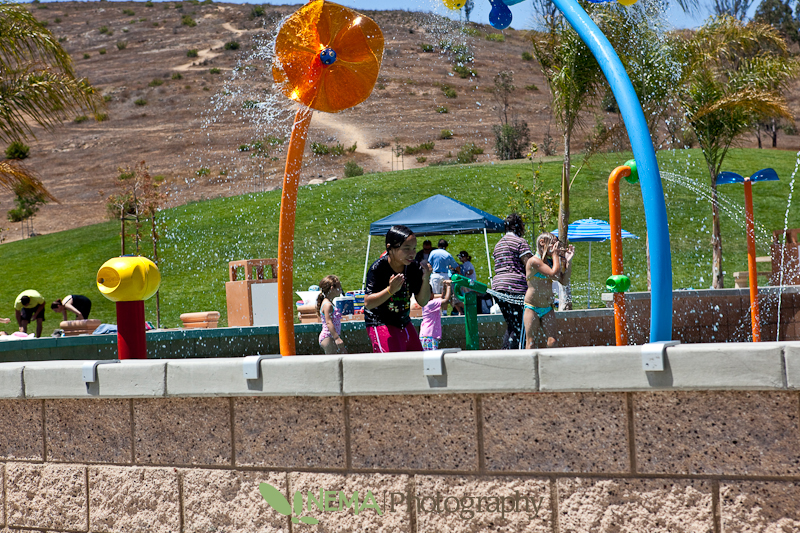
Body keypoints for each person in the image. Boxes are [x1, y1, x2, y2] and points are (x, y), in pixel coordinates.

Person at [364, 225, 433, 353]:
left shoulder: (412, 268)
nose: (412, 254)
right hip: (380, 323)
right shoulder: (379, 268)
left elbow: (423, 301)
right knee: (392, 365)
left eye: (414, 248)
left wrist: (426, 279)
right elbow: (368, 303)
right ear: (390, 248)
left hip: (404, 322)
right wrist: (390, 290)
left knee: (419, 363)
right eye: (406, 249)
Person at [524, 233, 574, 349]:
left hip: (547, 307)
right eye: (554, 243)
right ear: (542, 242)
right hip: (532, 307)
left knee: (553, 341)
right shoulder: (533, 261)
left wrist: (569, 261)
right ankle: (530, 366)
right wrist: (556, 255)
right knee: (531, 342)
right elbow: (553, 274)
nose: (556, 246)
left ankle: (551, 366)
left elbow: (563, 281)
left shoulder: (551, 263)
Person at [492, 214, 533, 349]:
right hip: (515, 288)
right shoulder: (520, 242)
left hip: (498, 288)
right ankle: (513, 355)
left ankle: (506, 352)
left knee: (512, 324)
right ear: (518, 226)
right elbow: (530, 266)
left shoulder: (498, 244)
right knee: (520, 325)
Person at [316, 275, 347, 354]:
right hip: (328, 337)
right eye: (339, 287)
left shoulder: (330, 303)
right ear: (332, 288)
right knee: (332, 362)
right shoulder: (327, 305)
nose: (340, 289)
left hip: (332, 336)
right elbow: (329, 323)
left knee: (343, 356)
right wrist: (337, 338)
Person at [419, 279, 452, 350]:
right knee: (431, 358)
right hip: (429, 336)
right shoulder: (431, 304)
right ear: (430, 294)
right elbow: (446, 300)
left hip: (426, 335)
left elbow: (442, 297)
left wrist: (444, 286)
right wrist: (449, 286)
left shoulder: (426, 303)